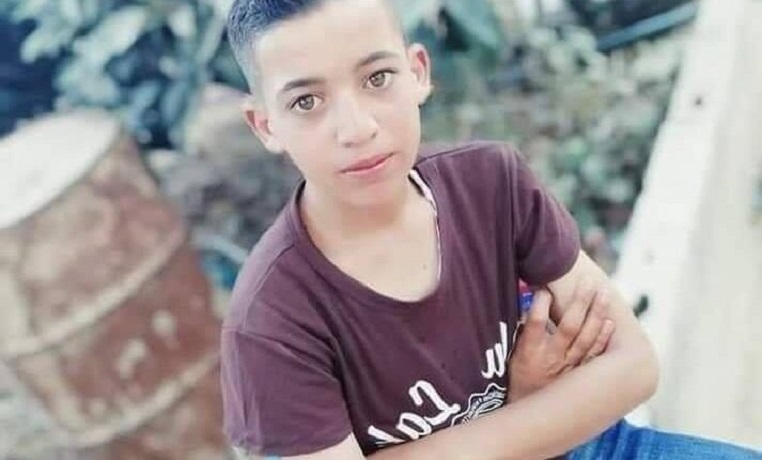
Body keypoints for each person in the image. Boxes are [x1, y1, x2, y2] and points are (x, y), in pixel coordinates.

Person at [219, 0, 762, 458]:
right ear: (265, 125)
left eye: (377, 78)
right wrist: (522, 403)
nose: (357, 128)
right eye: (307, 102)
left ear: (418, 72)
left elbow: (634, 367)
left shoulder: (489, 183)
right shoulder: (272, 321)